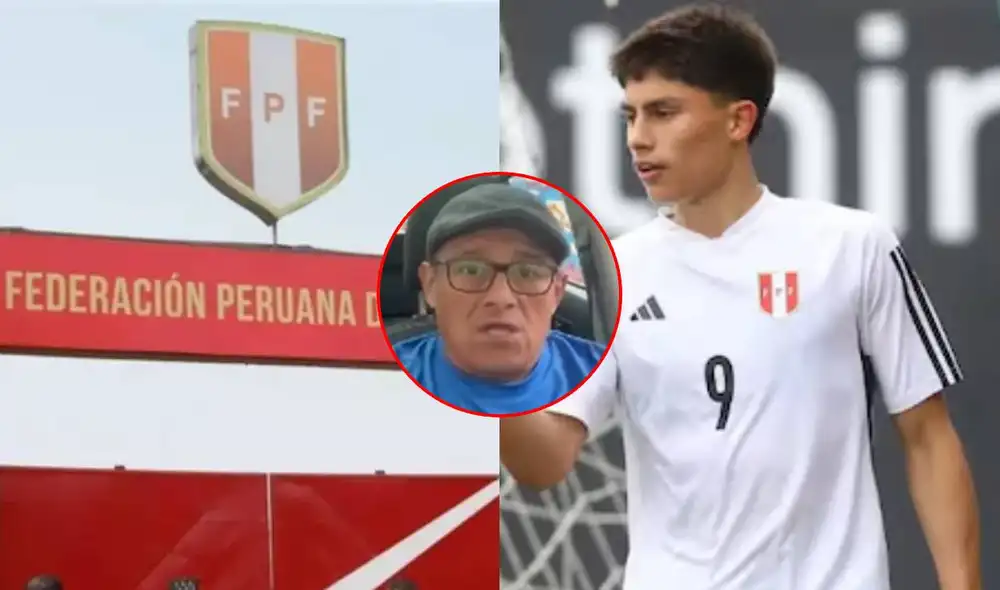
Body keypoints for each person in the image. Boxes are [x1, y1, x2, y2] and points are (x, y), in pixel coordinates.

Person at [499, 4, 981, 590]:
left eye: (663, 113)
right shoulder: (610, 272)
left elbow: (929, 438)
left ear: (738, 121)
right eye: (630, 116)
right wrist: (482, 383)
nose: (638, 138)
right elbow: (546, 462)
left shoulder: (854, 246)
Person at [393, 182, 605, 415]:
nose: (501, 298)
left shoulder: (604, 377)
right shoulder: (386, 378)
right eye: (471, 270)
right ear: (430, 284)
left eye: (528, 272)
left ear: (556, 292)